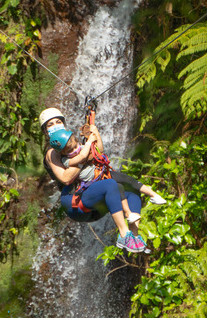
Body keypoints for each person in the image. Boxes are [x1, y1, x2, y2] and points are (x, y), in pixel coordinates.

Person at [40, 107, 149, 253]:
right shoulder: (53, 152)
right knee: (111, 184)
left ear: (64, 124)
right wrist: (84, 157)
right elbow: (66, 178)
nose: (55, 126)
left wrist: (92, 136)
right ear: (45, 132)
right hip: (74, 201)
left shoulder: (73, 141)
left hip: (93, 199)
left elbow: (98, 152)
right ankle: (123, 235)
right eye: (50, 124)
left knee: (132, 189)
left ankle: (134, 237)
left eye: (58, 122)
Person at [48, 124, 166, 223]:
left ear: (77, 141)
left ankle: (153, 195)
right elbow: (83, 156)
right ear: (63, 153)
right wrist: (89, 142)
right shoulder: (67, 160)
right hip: (93, 183)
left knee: (128, 180)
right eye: (70, 150)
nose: (75, 150)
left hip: (102, 173)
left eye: (75, 146)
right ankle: (128, 213)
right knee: (118, 188)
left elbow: (100, 150)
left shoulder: (81, 147)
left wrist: (96, 134)